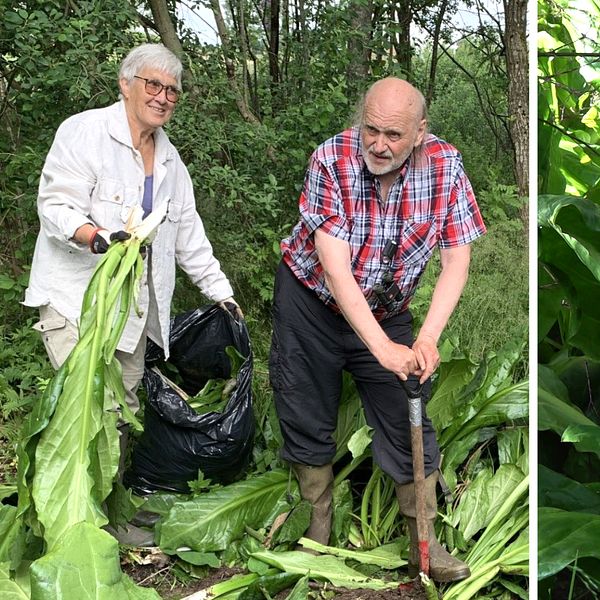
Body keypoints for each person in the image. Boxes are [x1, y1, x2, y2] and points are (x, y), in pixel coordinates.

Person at [269, 77, 486, 582]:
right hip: (312, 303)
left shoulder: (445, 166)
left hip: (388, 307)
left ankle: (423, 545)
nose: (378, 145)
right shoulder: (332, 158)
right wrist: (383, 348)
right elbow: (334, 268)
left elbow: (456, 258)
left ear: (420, 132)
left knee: (406, 409)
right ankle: (316, 532)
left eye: (393, 135)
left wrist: (425, 338)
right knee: (304, 407)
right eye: (371, 130)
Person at [24, 43, 240, 545]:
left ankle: (106, 515)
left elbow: (188, 234)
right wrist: (96, 236)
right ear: (126, 84)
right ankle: (67, 524)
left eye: (172, 90)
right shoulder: (84, 132)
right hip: (76, 301)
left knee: (121, 411)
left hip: (132, 312)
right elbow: (55, 205)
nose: (163, 97)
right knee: (80, 411)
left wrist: (223, 294)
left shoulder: (168, 158)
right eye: (153, 85)